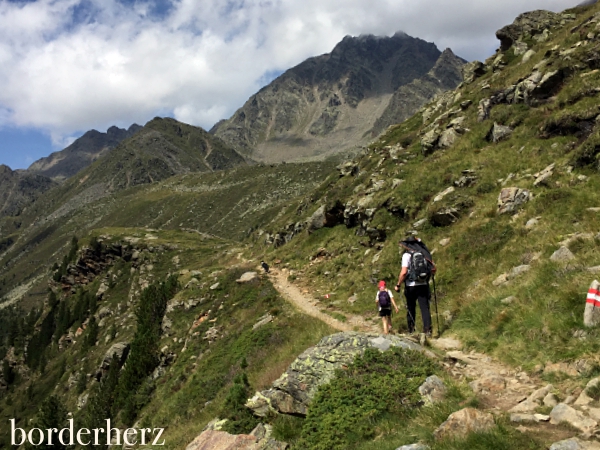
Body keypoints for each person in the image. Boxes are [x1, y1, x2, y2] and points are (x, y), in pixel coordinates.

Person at [394, 237, 436, 335]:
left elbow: (404, 272)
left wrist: (398, 284)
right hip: (423, 285)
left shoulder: (406, 255)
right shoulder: (425, 253)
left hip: (411, 286)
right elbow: (433, 269)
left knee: (411, 308)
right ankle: (427, 330)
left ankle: (411, 330)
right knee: (425, 308)